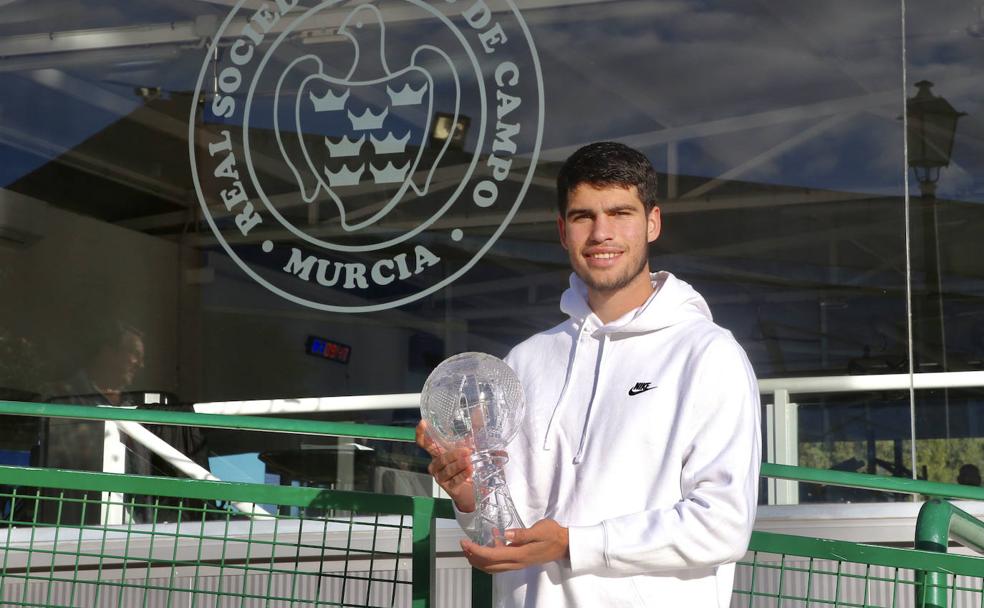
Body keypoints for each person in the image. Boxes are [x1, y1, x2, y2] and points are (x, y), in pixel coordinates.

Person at [417, 142, 761, 607]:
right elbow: (506, 532)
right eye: (583, 216)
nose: (601, 233)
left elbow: (722, 525)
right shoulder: (526, 361)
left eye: (620, 213)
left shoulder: (707, 354)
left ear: (653, 223)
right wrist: (470, 496)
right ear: (563, 230)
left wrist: (574, 543)